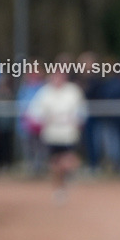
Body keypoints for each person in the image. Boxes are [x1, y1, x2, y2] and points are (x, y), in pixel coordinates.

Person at [26, 58, 87, 202]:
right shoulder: (44, 92)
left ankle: (67, 178)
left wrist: (76, 120)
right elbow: (34, 111)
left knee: (67, 160)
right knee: (55, 164)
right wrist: (44, 119)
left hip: (68, 133)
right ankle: (59, 189)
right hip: (52, 134)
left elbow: (81, 111)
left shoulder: (73, 91)